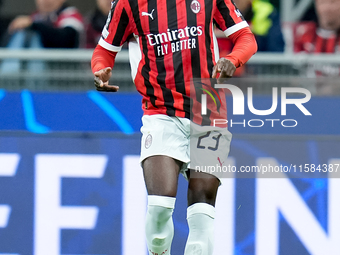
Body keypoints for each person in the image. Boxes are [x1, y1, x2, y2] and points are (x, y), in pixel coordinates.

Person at [91, 0, 257, 254]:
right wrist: (100, 69)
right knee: (159, 209)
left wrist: (233, 59)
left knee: (201, 218)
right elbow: (104, 50)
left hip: (208, 114)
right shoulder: (128, 4)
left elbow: (246, 37)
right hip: (160, 113)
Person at [6, 0, 84, 49]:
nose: (45, 1)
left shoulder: (71, 14)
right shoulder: (34, 17)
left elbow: (65, 40)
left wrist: (33, 25)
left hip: (64, 69)